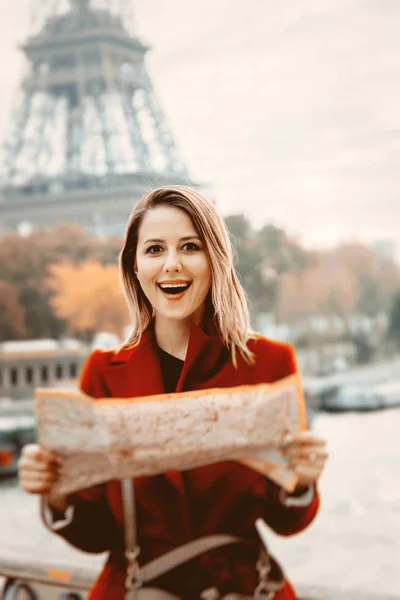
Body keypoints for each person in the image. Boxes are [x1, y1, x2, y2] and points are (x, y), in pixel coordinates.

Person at [19, 186, 328, 600]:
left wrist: (302, 482)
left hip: (241, 587)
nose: (171, 265)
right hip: (141, 585)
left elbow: (284, 522)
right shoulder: (102, 373)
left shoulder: (269, 363)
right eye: (154, 250)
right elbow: (96, 536)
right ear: (134, 267)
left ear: (215, 259)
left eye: (189, 247)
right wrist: (56, 494)